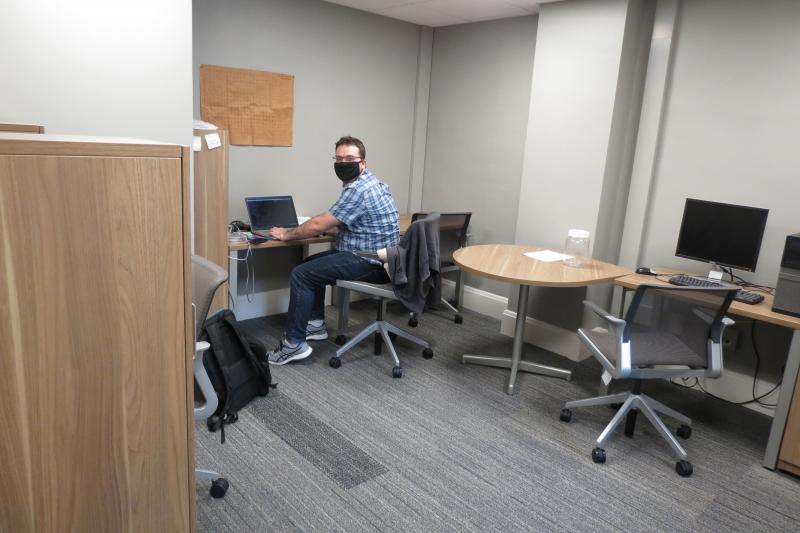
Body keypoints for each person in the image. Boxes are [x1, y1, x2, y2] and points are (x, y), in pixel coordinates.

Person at [265, 136, 400, 365]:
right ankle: (315, 324)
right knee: (307, 267)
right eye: (338, 159)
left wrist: (287, 234)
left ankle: (293, 344)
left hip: (371, 263)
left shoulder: (359, 189)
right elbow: (354, 227)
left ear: (363, 163)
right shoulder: (373, 183)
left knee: (302, 275)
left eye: (349, 158)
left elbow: (319, 224)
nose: (343, 163)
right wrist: (324, 229)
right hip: (378, 256)